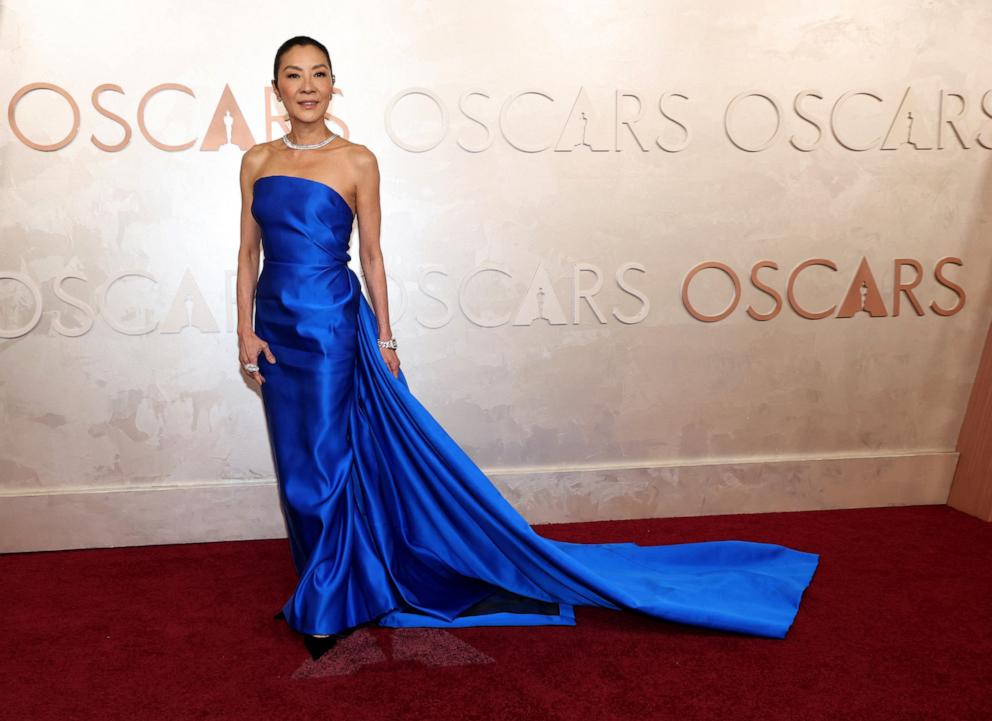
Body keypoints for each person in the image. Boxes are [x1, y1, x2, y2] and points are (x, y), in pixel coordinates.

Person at [236, 36, 820, 662]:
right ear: (276, 90)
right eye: (293, 76)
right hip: (274, 328)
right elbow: (247, 253)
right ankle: (330, 577)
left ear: (333, 85)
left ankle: (329, 601)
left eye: (318, 74)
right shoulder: (255, 160)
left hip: (330, 329)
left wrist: (385, 336)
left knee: (324, 465)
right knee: (296, 465)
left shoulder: (357, 161)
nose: (306, 86)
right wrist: (244, 330)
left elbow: (373, 255)